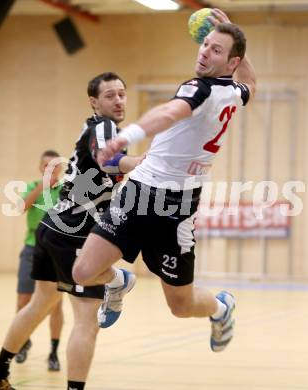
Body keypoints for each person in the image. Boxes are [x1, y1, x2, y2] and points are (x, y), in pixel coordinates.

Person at [73, 9, 256, 356]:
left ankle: (221, 308)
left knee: (181, 305)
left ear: (232, 62)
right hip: (139, 190)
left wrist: (128, 135)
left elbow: (169, 112)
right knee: (83, 271)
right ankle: (118, 282)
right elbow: (253, 85)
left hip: (176, 207)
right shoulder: (234, 90)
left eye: (216, 50)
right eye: (205, 43)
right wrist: (236, 39)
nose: (204, 51)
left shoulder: (200, 89)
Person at [0, 72, 144, 390]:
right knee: (86, 322)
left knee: (39, 304)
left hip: (52, 225)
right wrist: (142, 161)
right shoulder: (104, 126)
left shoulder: (95, 127)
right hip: (76, 233)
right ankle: (118, 281)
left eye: (122, 94)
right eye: (110, 95)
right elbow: (107, 160)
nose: (119, 100)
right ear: (95, 102)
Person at [15, 150, 63, 371]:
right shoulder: (33, 186)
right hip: (32, 248)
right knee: (23, 301)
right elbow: (21, 207)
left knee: (55, 304)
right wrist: (41, 187)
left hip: (56, 252)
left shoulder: (65, 190)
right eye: (46, 166)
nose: (50, 170)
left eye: (54, 166)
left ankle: (53, 351)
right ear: (40, 168)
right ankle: (23, 342)